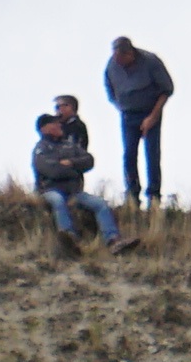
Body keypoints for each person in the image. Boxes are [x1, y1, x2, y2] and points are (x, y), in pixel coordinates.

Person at [30, 96, 128, 254]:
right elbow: (51, 171)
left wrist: (71, 163)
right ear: (45, 128)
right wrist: (73, 170)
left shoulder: (69, 145)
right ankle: (69, 238)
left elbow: (89, 160)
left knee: (100, 204)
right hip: (49, 190)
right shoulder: (41, 148)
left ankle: (113, 240)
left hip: (74, 191)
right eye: (54, 123)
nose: (59, 124)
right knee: (58, 201)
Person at [101, 34, 171, 206]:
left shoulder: (151, 61)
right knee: (129, 155)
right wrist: (121, 107)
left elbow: (167, 89)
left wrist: (152, 117)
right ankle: (132, 196)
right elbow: (110, 90)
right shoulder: (111, 66)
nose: (118, 61)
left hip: (150, 111)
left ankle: (154, 197)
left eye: (121, 58)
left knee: (152, 154)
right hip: (128, 114)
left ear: (130, 53)